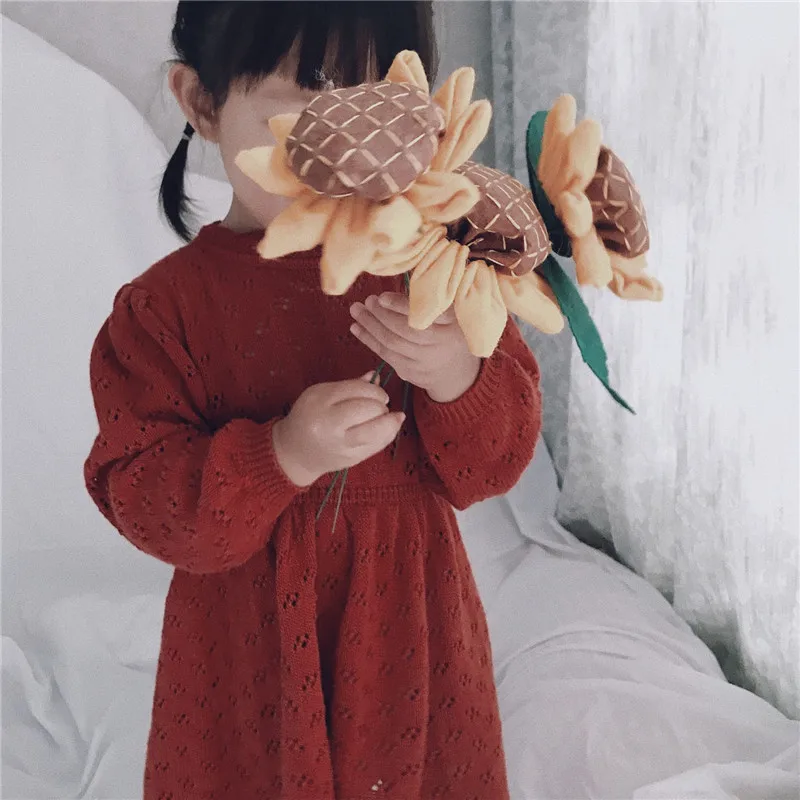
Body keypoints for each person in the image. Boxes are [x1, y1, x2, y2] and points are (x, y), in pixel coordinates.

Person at [84, 2, 542, 798]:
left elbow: (493, 466)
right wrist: (281, 455)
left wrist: (458, 375)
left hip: (410, 639)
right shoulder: (163, 312)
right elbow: (144, 495)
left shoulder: (438, 274)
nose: (351, 141)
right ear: (202, 102)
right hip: (245, 656)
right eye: (311, 95)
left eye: (381, 102)